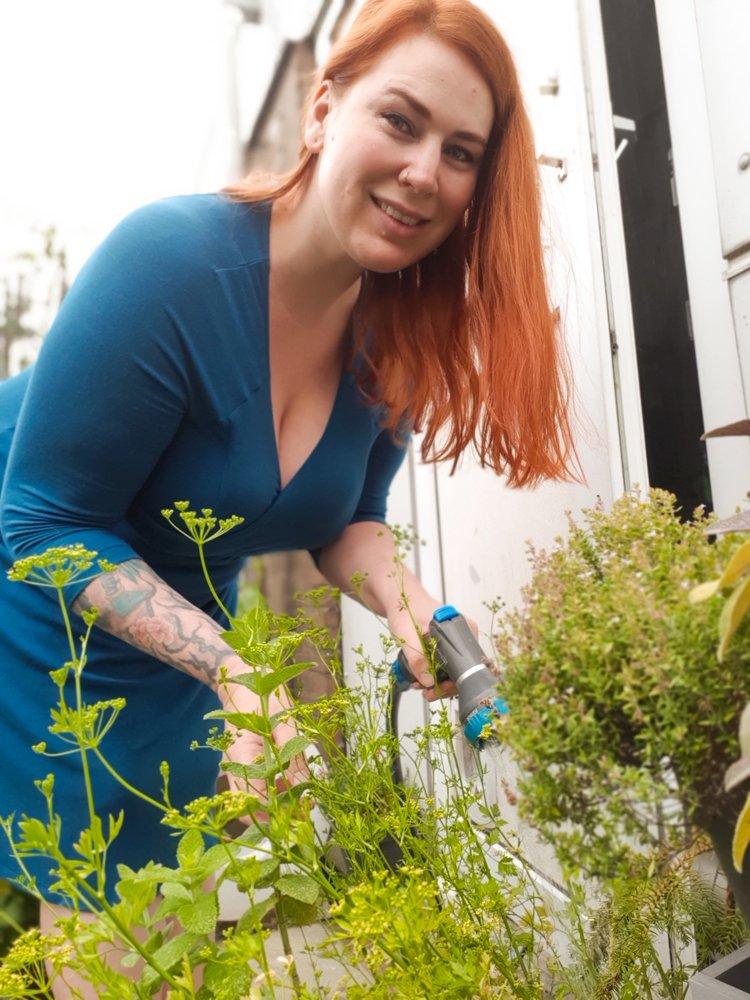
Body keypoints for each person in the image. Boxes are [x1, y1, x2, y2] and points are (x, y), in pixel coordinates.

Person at [0, 0, 576, 992]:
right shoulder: (170, 265)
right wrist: (237, 673)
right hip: (37, 582)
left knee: (172, 902)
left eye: (461, 151)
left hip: (175, 607)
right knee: (94, 916)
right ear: (323, 111)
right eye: (400, 121)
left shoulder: (396, 332)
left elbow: (347, 522)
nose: (424, 172)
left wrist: (415, 611)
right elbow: (43, 520)